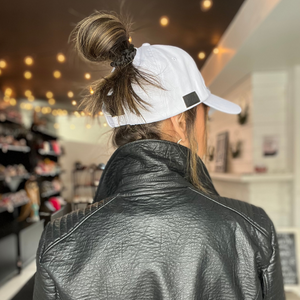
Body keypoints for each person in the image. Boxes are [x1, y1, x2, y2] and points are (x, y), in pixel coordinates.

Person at [33, 11, 285, 300]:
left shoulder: (61, 241)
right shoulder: (251, 230)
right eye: (205, 112)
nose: (207, 125)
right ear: (180, 120)